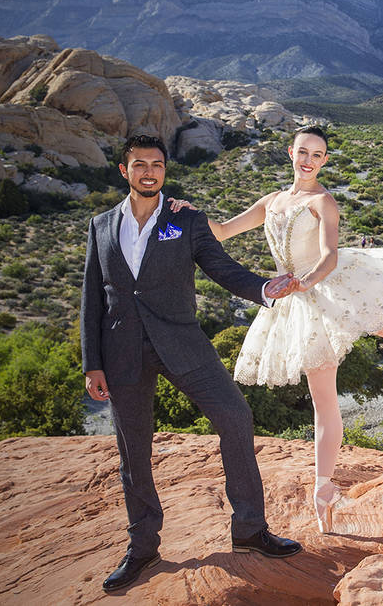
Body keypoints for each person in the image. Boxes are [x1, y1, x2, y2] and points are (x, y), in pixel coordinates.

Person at [168, 126, 383, 534]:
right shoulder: (272, 201)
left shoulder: (323, 202)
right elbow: (222, 231)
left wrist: (304, 283)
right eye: (303, 152)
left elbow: (329, 256)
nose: (309, 160)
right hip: (297, 303)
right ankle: (324, 487)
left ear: (325, 160)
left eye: (318, 154)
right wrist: (190, 213)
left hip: (331, 286)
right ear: (290, 153)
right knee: (323, 401)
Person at [81, 135, 302, 594]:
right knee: (132, 451)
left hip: (182, 342)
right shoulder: (101, 225)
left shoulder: (187, 219)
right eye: (139, 164)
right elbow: (91, 299)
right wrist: (92, 362)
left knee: (236, 417)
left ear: (165, 170)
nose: (148, 172)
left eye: (156, 165)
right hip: (121, 352)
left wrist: (265, 288)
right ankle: (142, 545)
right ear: (124, 171)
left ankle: (249, 530)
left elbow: (223, 268)